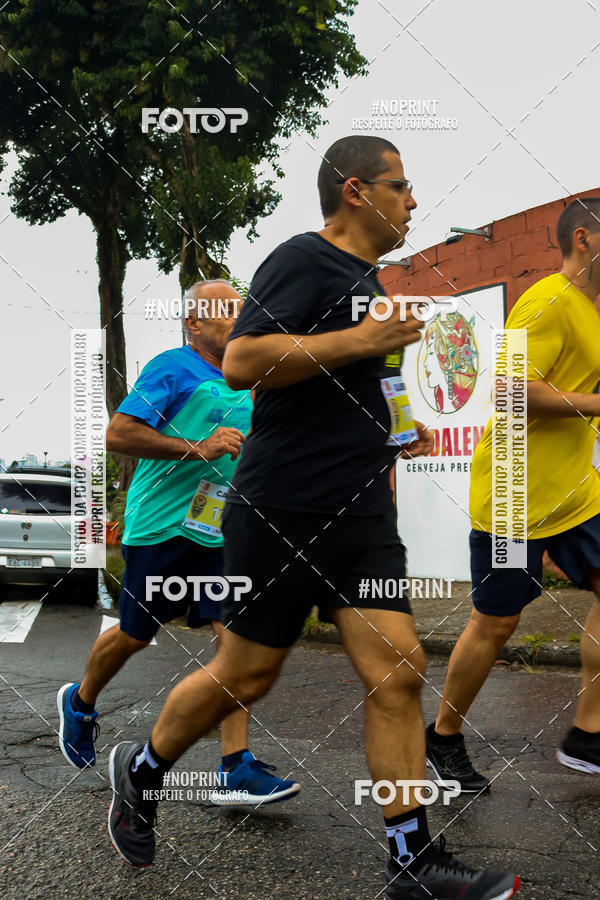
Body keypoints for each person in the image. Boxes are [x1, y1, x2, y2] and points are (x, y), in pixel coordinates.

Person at [105, 136, 520, 899]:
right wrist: (361, 338)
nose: (413, 201)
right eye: (402, 186)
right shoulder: (302, 259)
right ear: (357, 191)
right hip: (282, 507)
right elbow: (244, 360)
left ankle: (411, 862)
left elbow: (369, 384)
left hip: (358, 505)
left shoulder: (372, 279)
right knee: (246, 676)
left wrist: (400, 427)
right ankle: (143, 768)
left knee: (397, 669)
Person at [57, 279, 300, 806]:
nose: (242, 321)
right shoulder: (174, 367)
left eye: (245, 311)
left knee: (233, 638)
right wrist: (197, 446)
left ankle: (235, 768)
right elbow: (119, 433)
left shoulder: (252, 378)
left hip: (221, 529)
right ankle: (79, 701)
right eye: (228, 313)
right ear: (194, 323)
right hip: (162, 526)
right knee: (135, 634)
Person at [426, 198, 600, 793]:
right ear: (585, 239)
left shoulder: (589, 310)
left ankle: (588, 732)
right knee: (496, 622)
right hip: (514, 492)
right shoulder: (548, 298)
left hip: (576, 494)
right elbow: (506, 388)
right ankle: (443, 735)